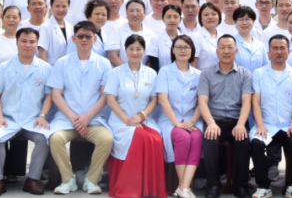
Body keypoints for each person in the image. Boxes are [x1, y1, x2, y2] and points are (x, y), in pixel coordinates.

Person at [47, 21, 114, 196]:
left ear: (95, 40)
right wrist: (73, 117)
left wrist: (87, 117)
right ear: (73, 39)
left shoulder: (104, 64)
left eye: (88, 37)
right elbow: (56, 95)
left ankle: (91, 180)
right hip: (67, 119)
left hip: (93, 119)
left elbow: (105, 96)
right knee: (55, 138)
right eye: (80, 36)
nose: (84, 40)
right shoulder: (62, 63)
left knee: (106, 139)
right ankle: (67, 179)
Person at [0, 27, 53, 196]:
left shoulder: (45, 68)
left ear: (37, 44)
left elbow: (49, 96)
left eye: (32, 42)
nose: (27, 45)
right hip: (8, 118)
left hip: (33, 119)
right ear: (16, 43)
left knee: (44, 138)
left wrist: (42, 116)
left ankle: (33, 179)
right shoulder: (4, 67)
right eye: (23, 41)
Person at [105, 34, 167, 198]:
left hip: (144, 119)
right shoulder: (116, 72)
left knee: (156, 139)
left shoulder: (151, 73)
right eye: (131, 49)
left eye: (138, 49)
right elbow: (110, 100)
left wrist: (141, 116)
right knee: (140, 136)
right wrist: (127, 119)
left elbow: (154, 100)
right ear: (125, 51)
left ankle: (149, 187)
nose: (134, 52)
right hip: (121, 121)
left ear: (144, 51)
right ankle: (131, 187)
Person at [198, 35, 254, 198]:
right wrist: (211, 123)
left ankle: (241, 186)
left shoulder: (245, 74)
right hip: (214, 120)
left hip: (237, 120)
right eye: (222, 47)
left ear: (236, 51)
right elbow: (202, 102)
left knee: (243, 141)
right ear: (217, 52)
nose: (226, 51)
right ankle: (213, 185)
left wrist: (241, 124)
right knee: (209, 141)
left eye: (230, 47)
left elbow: (247, 101)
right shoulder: (206, 74)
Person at [250, 35, 292, 198]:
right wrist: (260, 125)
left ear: (289, 51)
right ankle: (263, 186)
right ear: (269, 52)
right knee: (256, 143)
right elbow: (256, 102)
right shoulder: (259, 73)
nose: (279, 51)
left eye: (282, 48)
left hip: (288, 124)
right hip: (266, 124)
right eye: (275, 48)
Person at [156, 35, 205, 198]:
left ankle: (183, 186)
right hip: (171, 119)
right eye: (179, 47)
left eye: (186, 47)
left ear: (192, 51)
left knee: (197, 137)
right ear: (173, 51)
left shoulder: (199, 74)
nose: (182, 50)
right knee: (183, 138)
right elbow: (163, 100)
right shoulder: (165, 72)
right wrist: (177, 123)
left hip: (192, 119)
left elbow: (201, 102)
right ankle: (184, 188)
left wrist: (192, 120)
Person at [107, 0, 156, 67]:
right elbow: (112, 56)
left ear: (144, 13)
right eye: (131, 10)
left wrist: (142, 71)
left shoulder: (151, 34)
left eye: (138, 10)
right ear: (126, 13)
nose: (135, 14)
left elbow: (152, 59)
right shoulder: (117, 30)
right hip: (120, 71)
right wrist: (128, 71)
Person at [39, 0, 75, 65]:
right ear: (51, 6)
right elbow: (42, 54)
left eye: (64, 6)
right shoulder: (46, 27)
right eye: (57, 6)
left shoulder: (70, 27)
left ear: (68, 7)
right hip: (51, 68)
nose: (61, 9)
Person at [149, 4, 187, 70]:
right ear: (163, 19)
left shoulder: (186, 40)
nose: (172, 20)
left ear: (180, 19)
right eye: (168, 17)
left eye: (175, 17)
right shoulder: (155, 40)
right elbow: (154, 66)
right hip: (162, 75)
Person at [233, 6, 267, 72]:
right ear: (235, 22)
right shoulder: (231, 43)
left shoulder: (260, 45)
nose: (244, 23)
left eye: (247, 19)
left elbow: (266, 68)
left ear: (253, 21)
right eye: (241, 19)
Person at [195, 3, 223, 70]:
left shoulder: (223, 37)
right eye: (206, 14)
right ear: (201, 19)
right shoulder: (195, 37)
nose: (210, 17)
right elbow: (193, 65)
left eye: (214, 14)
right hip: (202, 75)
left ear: (219, 17)